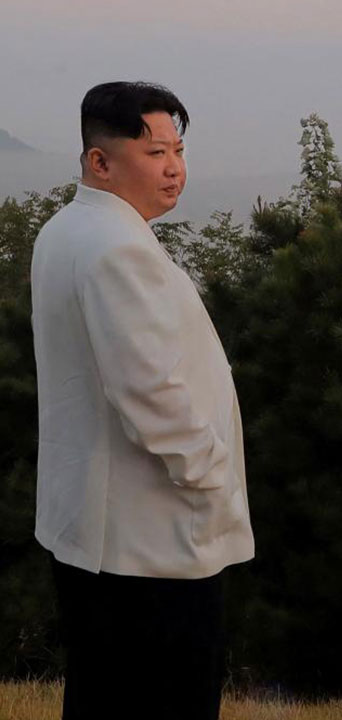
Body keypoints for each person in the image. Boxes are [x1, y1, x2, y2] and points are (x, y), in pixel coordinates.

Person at [29, 81, 254, 720]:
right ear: (99, 161)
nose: (175, 168)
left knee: (105, 693)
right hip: (150, 539)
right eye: (156, 152)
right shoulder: (117, 248)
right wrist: (211, 477)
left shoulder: (67, 229)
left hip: (98, 531)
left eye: (178, 149)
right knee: (165, 698)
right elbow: (149, 393)